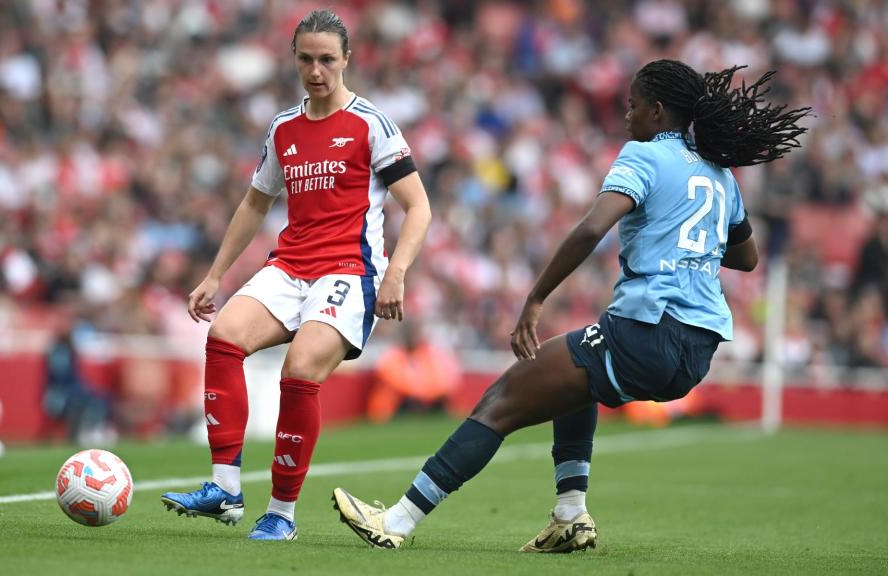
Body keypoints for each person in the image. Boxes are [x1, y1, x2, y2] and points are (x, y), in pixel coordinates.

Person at [332, 60, 810, 551]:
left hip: (648, 329)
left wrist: (535, 297)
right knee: (577, 373)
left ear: (658, 110)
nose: (628, 116)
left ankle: (397, 520)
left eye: (633, 105)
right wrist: (693, 239)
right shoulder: (721, 175)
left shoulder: (643, 156)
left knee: (501, 400)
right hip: (698, 348)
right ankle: (570, 514)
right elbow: (748, 257)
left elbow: (589, 229)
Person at [161, 10, 431, 541]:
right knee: (223, 336)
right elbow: (255, 202)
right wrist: (216, 274)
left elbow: (418, 207)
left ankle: (280, 516)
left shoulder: (370, 123)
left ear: (346, 59)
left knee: (300, 370)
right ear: (294, 59)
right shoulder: (284, 126)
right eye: (306, 59)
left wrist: (397, 271)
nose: (316, 70)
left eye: (327, 59)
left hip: (349, 270)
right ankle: (225, 489)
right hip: (289, 264)